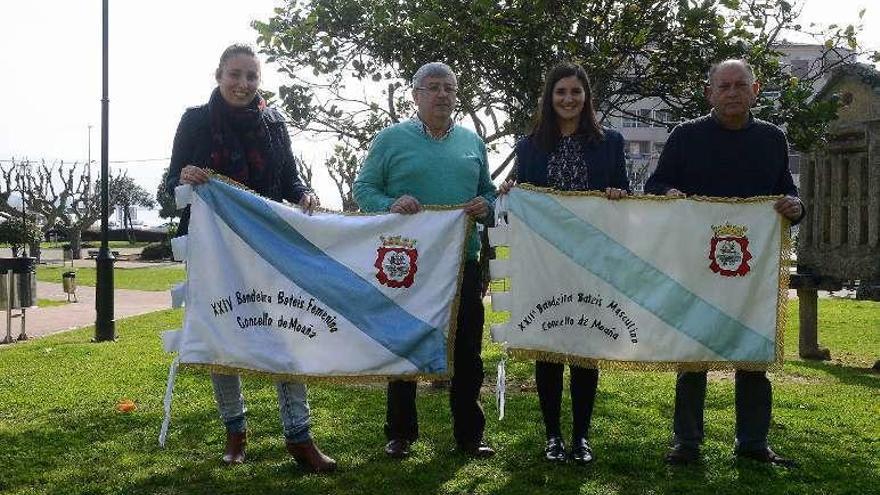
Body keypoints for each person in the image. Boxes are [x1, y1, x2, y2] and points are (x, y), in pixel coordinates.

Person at [164, 43, 335, 473]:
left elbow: (291, 181)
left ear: (259, 81)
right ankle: (235, 433)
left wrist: (304, 196)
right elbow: (170, 187)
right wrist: (183, 177)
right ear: (218, 75)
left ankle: (299, 436)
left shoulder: (275, 123)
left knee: (285, 331)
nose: (243, 84)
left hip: (268, 250)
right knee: (225, 332)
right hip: (213, 252)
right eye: (235, 75)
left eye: (251, 77)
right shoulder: (196, 121)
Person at [644, 58, 804, 468]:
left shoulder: (772, 139)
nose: (732, 92)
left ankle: (753, 443)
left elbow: (787, 193)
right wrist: (670, 195)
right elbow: (655, 185)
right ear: (709, 92)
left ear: (756, 90)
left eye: (740, 85)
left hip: (753, 271)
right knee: (692, 355)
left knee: (752, 354)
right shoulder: (685, 135)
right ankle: (687, 442)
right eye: (724, 85)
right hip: (695, 265)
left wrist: (795, 206)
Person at [353, 62, 497, 459]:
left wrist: (487, 204)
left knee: (468, 352)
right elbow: (363, 187)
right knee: (405, 345)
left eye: (448, 88)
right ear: (415, 95)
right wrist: (389, 203)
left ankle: (470, 436)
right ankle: (400, 434)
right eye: (432, 88)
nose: (441, 95)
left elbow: (490, 194)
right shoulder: (389, 140)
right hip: (405, 266)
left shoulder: (473, 142)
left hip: (461, 265)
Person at [500, 62, 629, 464]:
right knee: (550, 345)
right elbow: (522, 200)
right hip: (545, 263)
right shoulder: (528, 145)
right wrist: (510, 192)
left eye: (575, 92)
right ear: (549, 97)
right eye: (560, 92)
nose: (568, 99)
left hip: (592, 262)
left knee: (586, 344)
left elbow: (623, 190)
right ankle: (553, 435)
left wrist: (615, 193)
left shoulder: (610, 142)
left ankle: (581, 437)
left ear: (586, 96)